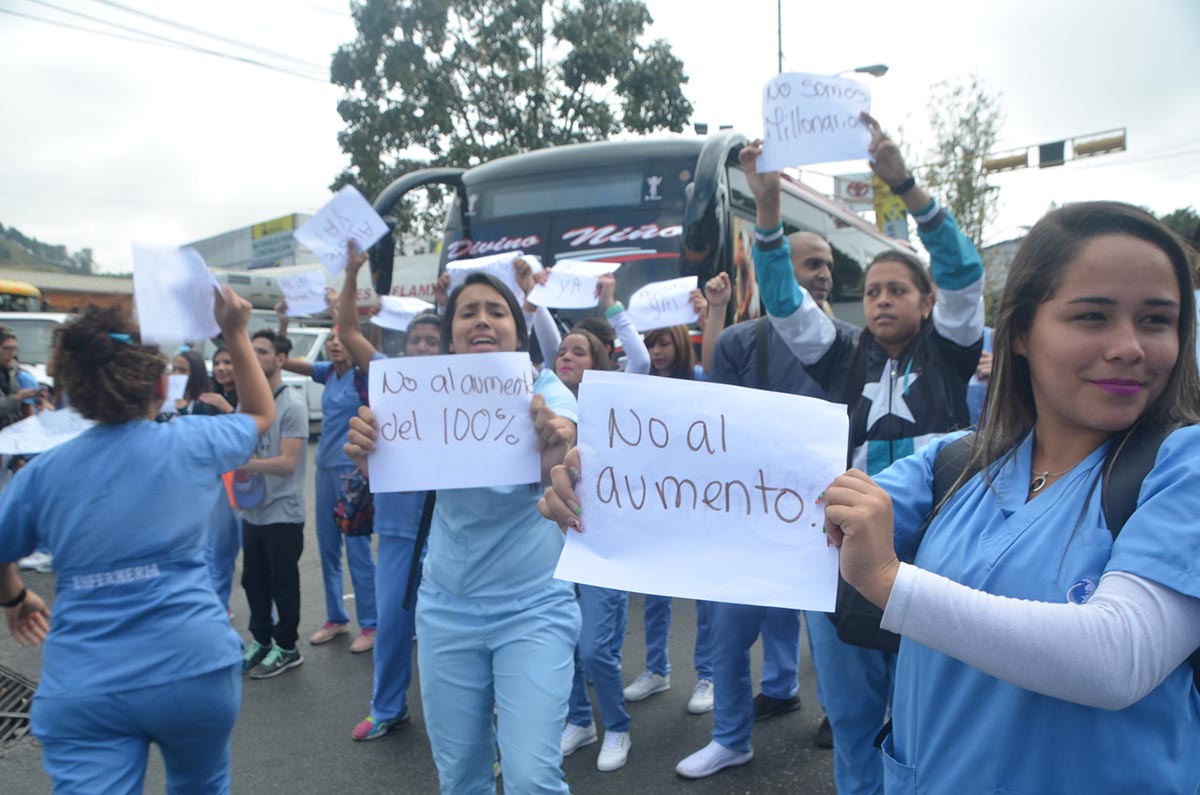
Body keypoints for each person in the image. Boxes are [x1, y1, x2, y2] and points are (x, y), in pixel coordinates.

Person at [823, 201, 1200, 793]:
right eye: (1093, 317)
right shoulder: (956, 461)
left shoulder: (1185, 466)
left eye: (1156, 320)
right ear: (1020, 332)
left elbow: (1120, 658)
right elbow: (799, 517)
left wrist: (889, 580)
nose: (1129, 346)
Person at [740, 116, 984, 795]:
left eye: (897, 289)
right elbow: (785, 302)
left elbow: (964, 269)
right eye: (872, 290)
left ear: (927, 302)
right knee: (851, 717)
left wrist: (902, 184)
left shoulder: (951, 346)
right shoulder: (840, 352)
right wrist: (767, 209)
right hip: (841, 558)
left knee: (927, 718)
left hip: (935, 555)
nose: (880, 299)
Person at [0, 290, 274, 793]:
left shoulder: (43, 476)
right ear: (160, 383)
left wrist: (15, 597)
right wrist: (234, 330)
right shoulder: (191, 443)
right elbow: (259, 415)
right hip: (196, 669)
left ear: (74, 389)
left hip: (85, 686)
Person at [345, 272, 580, 794]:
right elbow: (397, 474)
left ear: (517, 334)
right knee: (460, 779)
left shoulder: (544, 390)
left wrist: (559, 437)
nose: (481, 320)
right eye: (467, 311)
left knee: (532, 777)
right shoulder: (420, 397)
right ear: (451, 335)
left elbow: (564, 441)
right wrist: (369, 459)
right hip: (445, 610)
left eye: (496, 311)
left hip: (533, 607)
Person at [675, 233, 859, 779]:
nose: (824, 273)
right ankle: (731, 738)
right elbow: (717, 412)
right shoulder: (739, 342)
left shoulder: (854, 345)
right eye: (812, 264)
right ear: (777, 271)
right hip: (753, 518)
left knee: (832, 638)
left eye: (827, 264)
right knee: (728, 636)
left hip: (828, 521)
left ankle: (840, 719)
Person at [336, 246, 436, 742]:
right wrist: (353, 272)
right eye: (415, 339)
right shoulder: (389, 376)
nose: (421, 348)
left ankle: (468, 718)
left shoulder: (467, 387)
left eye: (432, 341)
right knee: (394, 627)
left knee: (453, 634)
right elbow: (348, 332)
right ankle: (388, 707)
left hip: (449, 531)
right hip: (397, 527)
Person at [623, 281, 724, 716]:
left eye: (663, 341)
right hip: (655, 506)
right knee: (655, 594)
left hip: (697, 504)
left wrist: (711, 318)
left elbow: (724, 381)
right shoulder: (640, 382)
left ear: (679, 341)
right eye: (649, 343)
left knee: (703, 596)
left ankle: (708, 674)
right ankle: (656, 669)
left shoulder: (701, 378)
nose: (657, 351)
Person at [281, 324, 378, 653]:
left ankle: (371, 623)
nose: (336, 344)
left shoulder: (364, 375)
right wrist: (283, 324)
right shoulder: (328, 373)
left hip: (353, 473)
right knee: (327, 548)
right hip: (323, 470)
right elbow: (286, 361)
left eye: (342, 339)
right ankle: (336, 618)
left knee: (358, 551)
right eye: (332, 339)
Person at [239, 329, 310, 679]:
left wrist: (245, 464)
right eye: (251, 351)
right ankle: (262, 640)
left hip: (283, 511)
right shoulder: (247, 402)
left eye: (262, 352)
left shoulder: (292, 404)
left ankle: (287, 646)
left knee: (283, 583)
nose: (254, 357)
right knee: (253, 580)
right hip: (252, 509)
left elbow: (287, 463)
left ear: (280, 360)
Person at [198, 346, 242, 612]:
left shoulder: (249, 397)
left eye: (228, 361)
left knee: (257, 558)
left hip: (247, 483)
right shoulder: (206, 398)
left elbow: (252, 432)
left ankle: (269, 621)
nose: (222, 367)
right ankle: (218, 608)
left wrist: (228, 409)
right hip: (216, 484)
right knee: (218, 552)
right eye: (218, 362)